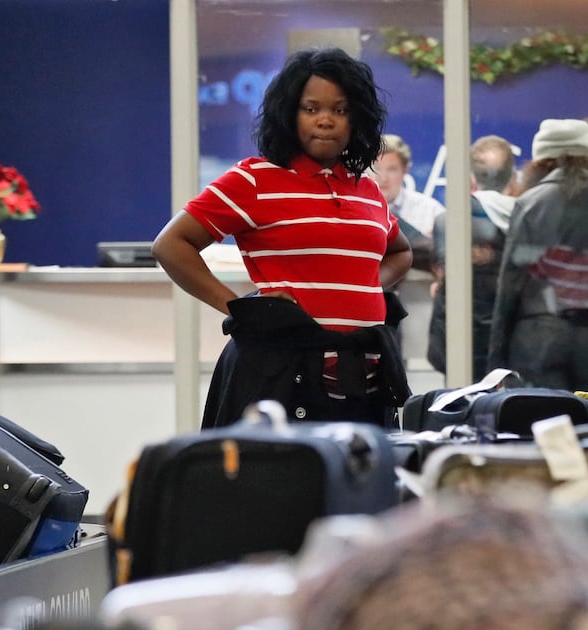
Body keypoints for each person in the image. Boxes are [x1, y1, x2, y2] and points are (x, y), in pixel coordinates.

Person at [152, 47, 411, 429]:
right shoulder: (254, 179)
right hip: (280, 376)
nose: (326, 121)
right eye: (311, 109)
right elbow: (171, 245)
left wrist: (365, 287)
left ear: (357, 119)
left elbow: (400, 253)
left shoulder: (366, 190)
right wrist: (241, 308)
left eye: (340, 110)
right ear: (289, 114)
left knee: (359, 488)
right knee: (278, 487)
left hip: (365, 385)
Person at [488, 118, 588, 410]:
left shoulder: (530, 203)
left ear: (539, 161)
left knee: (544, 429)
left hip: (537, 336)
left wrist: (496, 366)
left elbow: (510, 286)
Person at [427, 135, 517, 380]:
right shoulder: (527, 218)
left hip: (457, 340)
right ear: (512, 176)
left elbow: (444, 272)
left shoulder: (450, 220)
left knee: (459, 411)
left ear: (472, 178)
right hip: (510, 340)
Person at [373, 133, 445, 239]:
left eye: (392, 169)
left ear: (406, 170)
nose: (383, 178)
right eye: (377, 168)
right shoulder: (358, 209)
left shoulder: (430, 211)